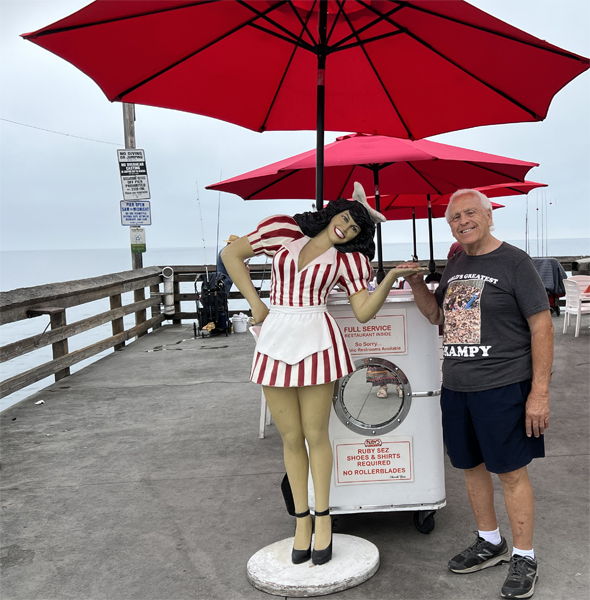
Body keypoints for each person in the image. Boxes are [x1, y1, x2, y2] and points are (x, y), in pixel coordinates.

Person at [222, 182, 420, 566]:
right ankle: (301, 521)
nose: (346, 227)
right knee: (291, 437)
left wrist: (391, 276)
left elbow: (362, 311)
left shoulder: (349, 261)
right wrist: (257, 305)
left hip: (317, 336)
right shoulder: (283, 229)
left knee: (316, 435)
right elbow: (232, 255)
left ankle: (324, 518)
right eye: (345, 217)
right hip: (276, 335)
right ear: (333, 212)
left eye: (356, 228)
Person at [398, 189, 553, 599]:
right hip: (458, 386)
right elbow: (437, 317)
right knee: (470, 467)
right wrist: (417, 284)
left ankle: (525, 555)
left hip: (504, 386)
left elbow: (542, 327)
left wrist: (539, 393)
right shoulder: (456, 263)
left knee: (511, 473)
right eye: (454, 218)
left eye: (469, 213)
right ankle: (490, 541)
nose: (462, 221)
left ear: (488, 216)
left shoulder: (515, 261)